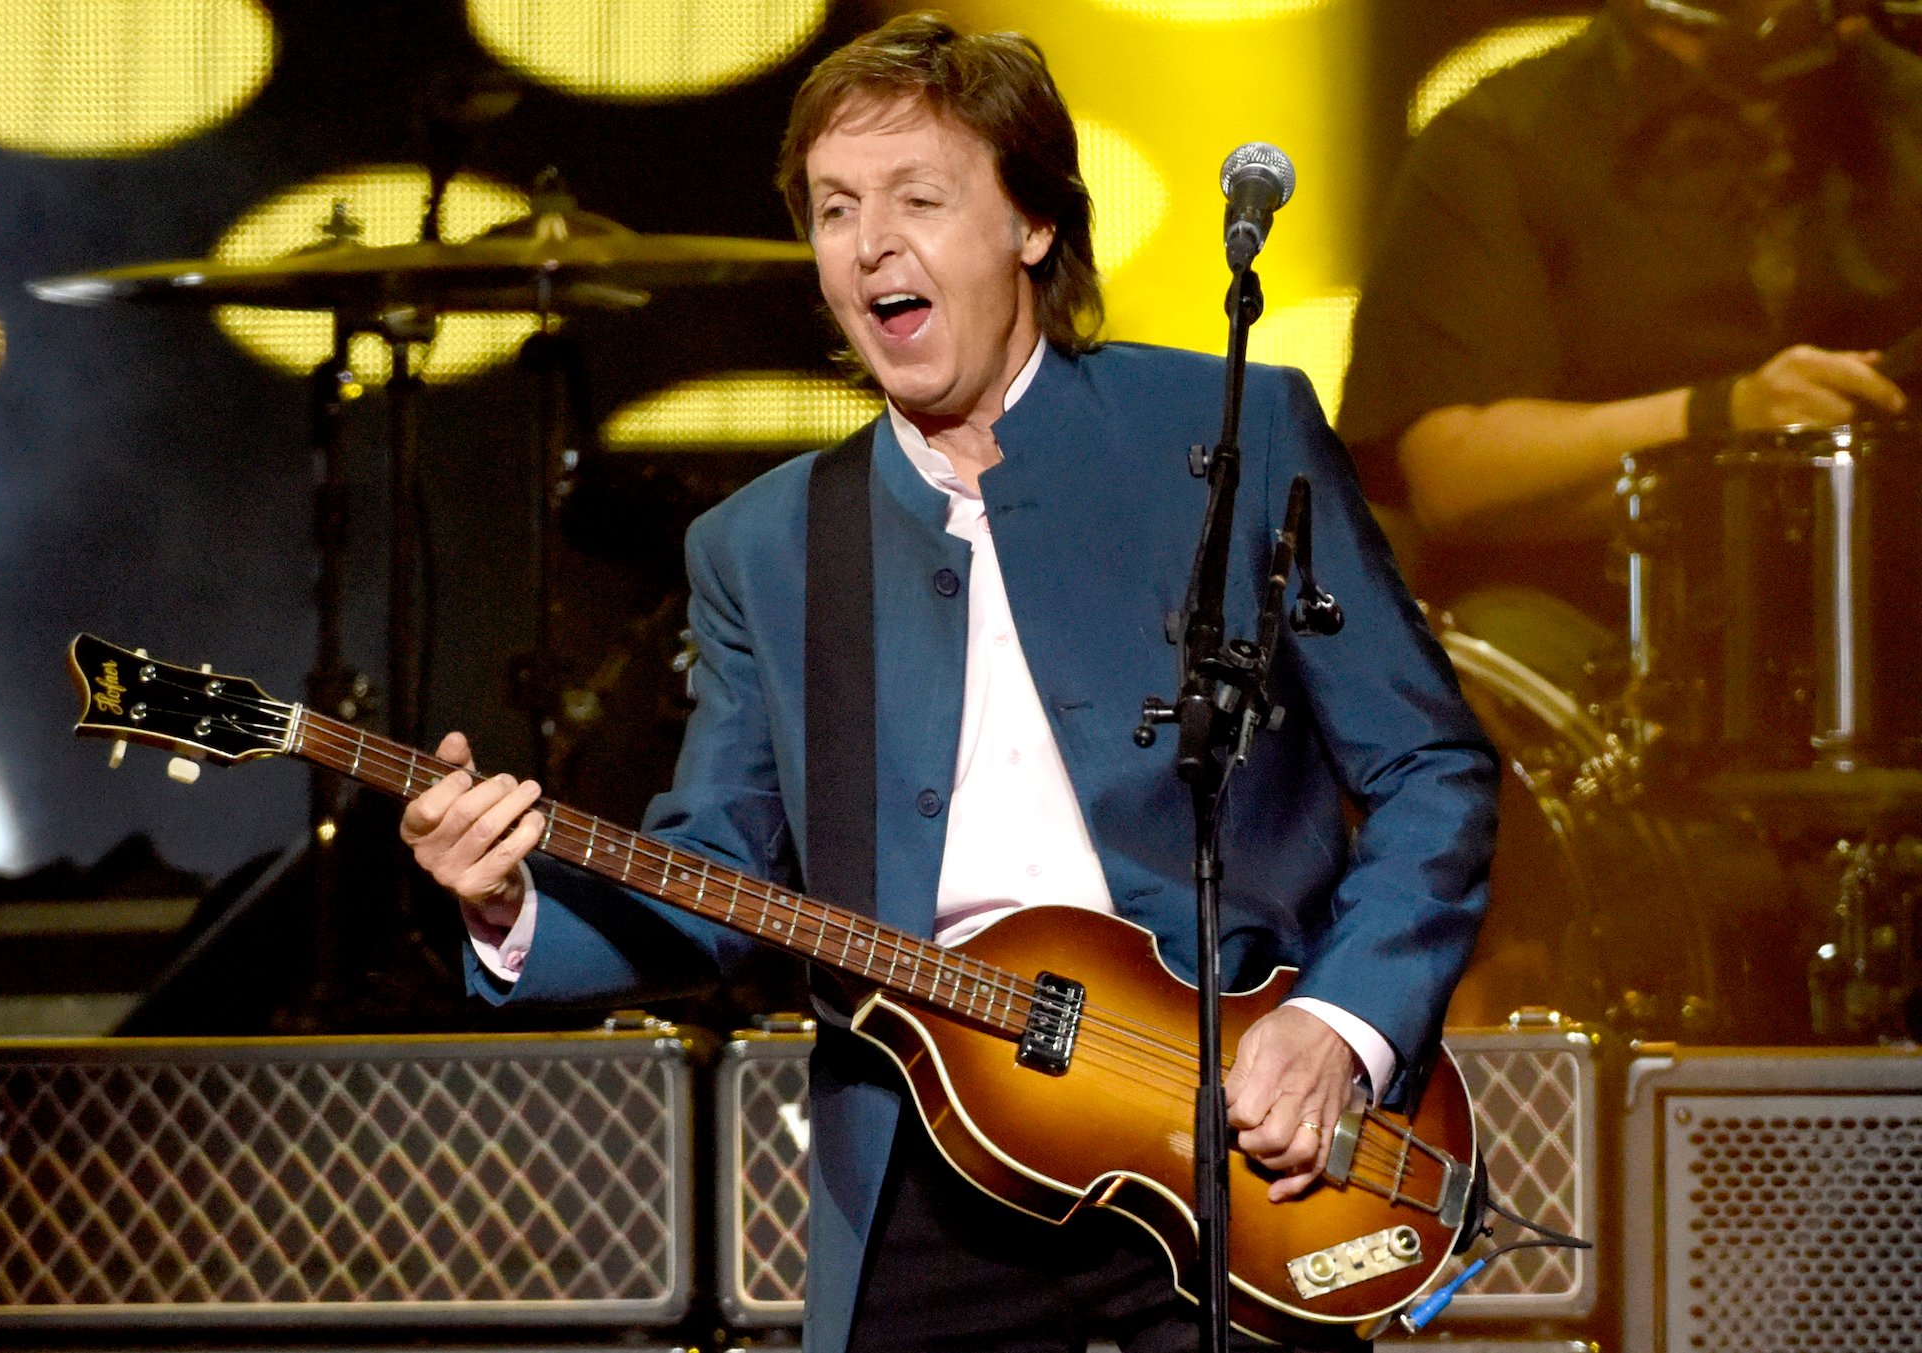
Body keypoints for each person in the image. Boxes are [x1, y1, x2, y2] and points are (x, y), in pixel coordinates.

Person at [402, 15, 1497, 1352]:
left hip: (1235, 1134)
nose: (871, 247)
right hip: (936, 1166)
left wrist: (1338, 1024)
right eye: (834, 210)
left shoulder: (1233, 430)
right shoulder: (767, 545)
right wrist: (510, 900)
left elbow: (1430, 767)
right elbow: (718, 880)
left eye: (919, 199)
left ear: (1034, 223)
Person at [1339, 0, 1922, 681]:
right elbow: (1453, 470)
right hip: (1602, 644)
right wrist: (1723, 414)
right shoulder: (1499, 135)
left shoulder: (1902, 100)